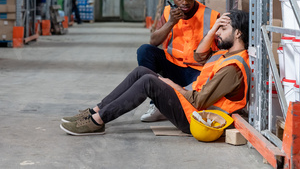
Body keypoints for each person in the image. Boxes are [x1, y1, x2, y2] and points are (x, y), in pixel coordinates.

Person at [60, 9, 250, 136]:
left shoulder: (233, 68)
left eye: (223, 29)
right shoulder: (226, 53)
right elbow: (200, 56)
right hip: (192, 103)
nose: (218, 33)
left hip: (197, 117)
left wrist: (173, 85)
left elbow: (200, 101)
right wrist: (214, 29)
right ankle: (96, 110)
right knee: (142, 71)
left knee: (149, 82)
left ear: (238, 33)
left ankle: (98, 121)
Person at [138, 0, 220, 122]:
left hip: (198, 72)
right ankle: (157, 103)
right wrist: (170, 23)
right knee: (145, 51)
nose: (185, 2)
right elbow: (153, 41)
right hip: (172, 67)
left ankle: (176, 103)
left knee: (195, 101)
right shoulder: (168, 12)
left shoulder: (211, 15)